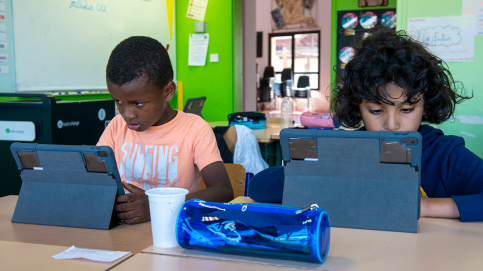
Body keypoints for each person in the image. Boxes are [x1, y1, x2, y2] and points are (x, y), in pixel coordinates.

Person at [249, 27, 483, 222]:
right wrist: (329, 170)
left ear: (426, 106)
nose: (392, 124)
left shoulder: (444, 154)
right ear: (357, 108)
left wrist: (421, 207)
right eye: (376, 110)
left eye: (407, 109)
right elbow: (260, 187)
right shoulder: (348, 149)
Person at [98, 36, 234, 224]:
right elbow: (94, 182)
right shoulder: (116, 127)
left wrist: (158, 205)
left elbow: (223, 191)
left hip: (173, 231)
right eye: (118, 102)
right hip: (124, 233)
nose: (127, 114)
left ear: (168, 91)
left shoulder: (194, 129)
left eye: (138, 103)